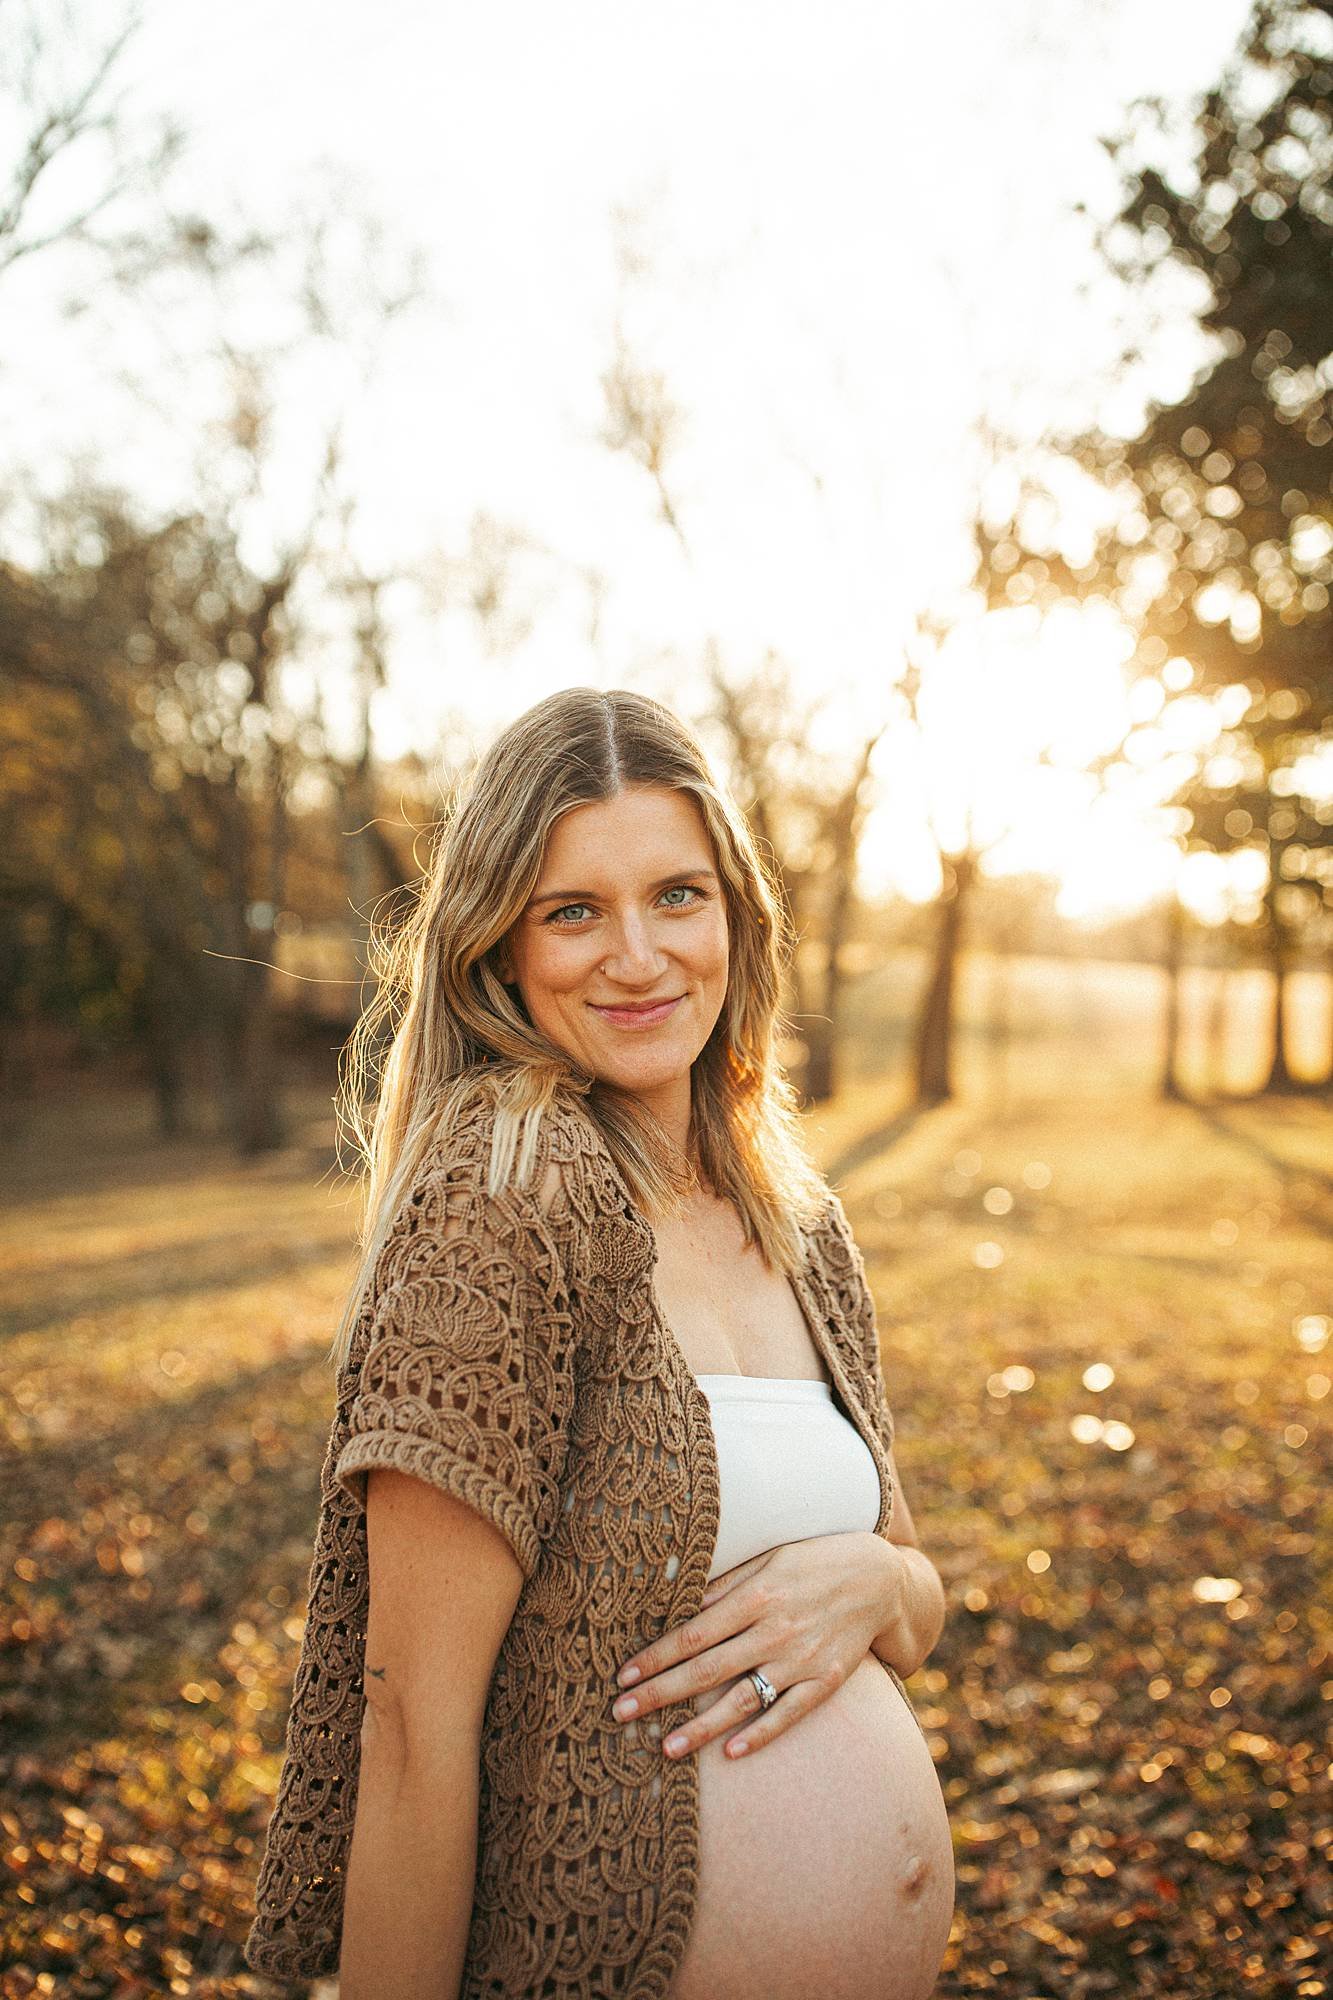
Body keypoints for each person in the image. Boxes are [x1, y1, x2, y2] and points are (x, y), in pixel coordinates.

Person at [243, 686, 955, 2000]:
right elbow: (409, 1725)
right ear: (498, 949)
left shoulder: (790, 1218)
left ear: (735, 914)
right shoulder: (506, 1199)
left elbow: (911, 1587)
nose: (638, 955)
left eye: (676, 895)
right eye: (574, 911)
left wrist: (871, 1582)